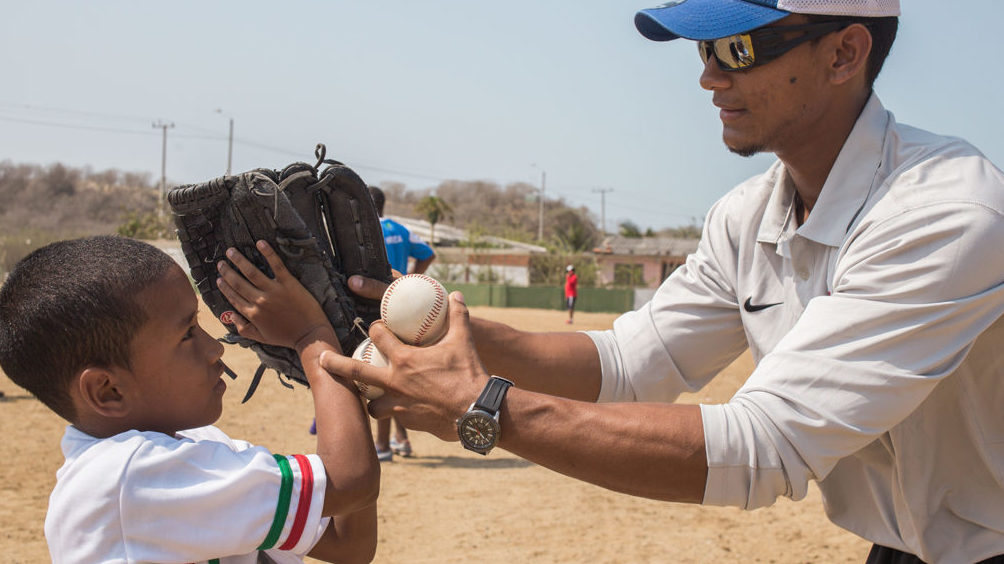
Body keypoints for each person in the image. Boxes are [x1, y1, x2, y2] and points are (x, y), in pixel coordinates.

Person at [320, 1, 1004, 562]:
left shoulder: (941, 213)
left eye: (736, 48)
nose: (708, 77)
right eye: (700, 51)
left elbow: (763, 447)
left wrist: (482, 408)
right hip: (901, 549)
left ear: (843, 53)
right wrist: (437, 330)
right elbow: (627, 363)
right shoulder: (749, 215)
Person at [0, 236, 380, 563]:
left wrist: (347, 362)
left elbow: (350, 545)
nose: (215, 348)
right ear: (108, 391)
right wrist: (313, 335)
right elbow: (349, 482)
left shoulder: (202, 448)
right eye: (187, 335)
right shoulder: (123, 479)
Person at [365, 185, 436, 461]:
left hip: (376, 308)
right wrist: (411, 282)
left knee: (383, 377)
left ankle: (382, 445)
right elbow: (428, 253)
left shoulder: (364, 231)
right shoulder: (401, 229)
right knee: (399, 372)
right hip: (404, 308)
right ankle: (402, 439)